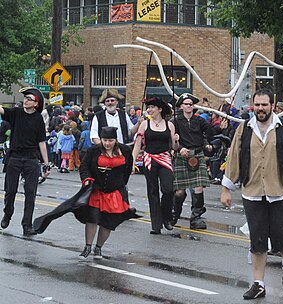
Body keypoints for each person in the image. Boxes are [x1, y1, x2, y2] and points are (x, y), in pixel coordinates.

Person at [221, 90, 283, 298]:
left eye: (264, 105)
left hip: (281, 191)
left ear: (272, 105)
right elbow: (233, 158)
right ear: (253, 106)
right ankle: (258, 284)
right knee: (258, 240)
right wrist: (226, 188)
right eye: (257, 105)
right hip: (252, 192)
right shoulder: (244, 129)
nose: (260, 109)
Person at [33, 126, 137, 258]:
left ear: (115, 140)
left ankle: (98, 248)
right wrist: (87, 179)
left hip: (114, 193)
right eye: (104, 140)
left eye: (110, 141)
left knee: (108, 223)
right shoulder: (93, 150)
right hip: (96, 190)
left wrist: (122, 184)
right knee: (92, 218)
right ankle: (87, 247)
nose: (107, 144)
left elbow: (127, 169)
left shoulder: (125, 151)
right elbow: (84, 166)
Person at [0, 88, 50, 235]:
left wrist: (46, 164)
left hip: (31, 159)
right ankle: (8, 213)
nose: (25, 101)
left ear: (36, 103)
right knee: (10, 191)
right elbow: (2, 110)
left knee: (30, 193)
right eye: (25, 98)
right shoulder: (16, 113)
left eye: (29, 99)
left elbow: (42, 142)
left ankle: (27, 225)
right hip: (14, 157)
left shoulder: (38, 119)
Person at [131, 97, 177, 234]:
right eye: (148, 107)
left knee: (168, 189)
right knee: (153, 192)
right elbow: (138, 145)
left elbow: (175, 146)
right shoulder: (145, 124)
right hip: (149, 159)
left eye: (152, 107)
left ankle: (166, 217)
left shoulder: (170, 125)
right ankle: (156, 225)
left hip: (165, 159)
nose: (149, 110)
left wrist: (175, 141)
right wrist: (132, 162)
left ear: (160, 109)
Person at [172, 93, 216, 230]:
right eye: (186, 104)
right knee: (179, 192)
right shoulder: (175, 121)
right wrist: (179, 148)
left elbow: (209, 132)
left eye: (191, 104)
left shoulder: (199, 121)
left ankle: (196, 218)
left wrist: (207, 143)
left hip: (197, 155)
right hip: (181, 157)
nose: (189, 106)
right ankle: (174, 213)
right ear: (181, 106)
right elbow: (170, 140)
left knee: (198, 187)